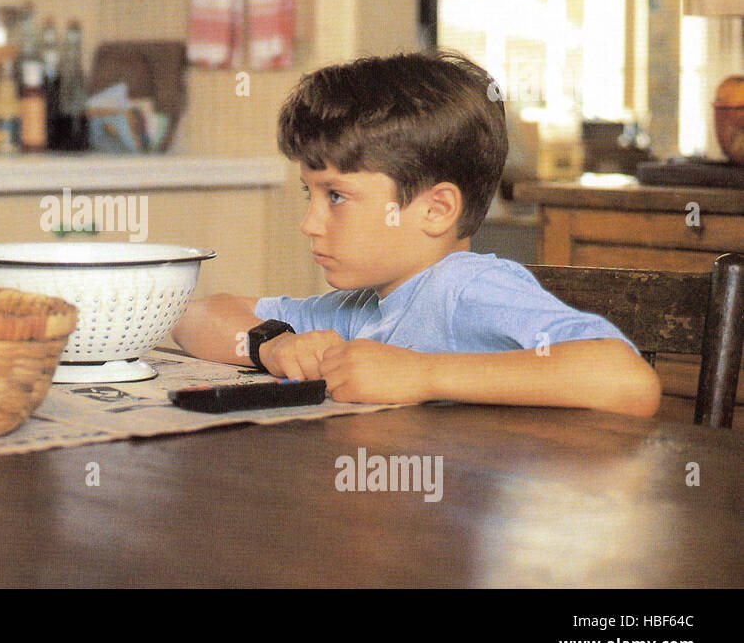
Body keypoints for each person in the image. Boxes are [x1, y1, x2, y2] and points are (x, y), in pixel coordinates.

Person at [172, 51, 661, 416]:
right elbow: (193, 317)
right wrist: (271, 345)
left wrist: (421, 373)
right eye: (310, 195)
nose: (310, 223)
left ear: (435, 209)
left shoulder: (465, 286)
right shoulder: (358, 308)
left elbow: (628, 380)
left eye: (336, 197)